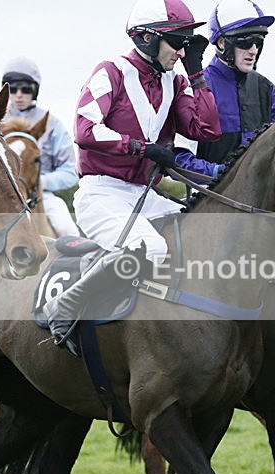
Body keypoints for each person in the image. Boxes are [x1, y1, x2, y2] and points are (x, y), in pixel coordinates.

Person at [43, 0, 221, 356]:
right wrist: (140, 149)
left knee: (197, 236)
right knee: (151, 249)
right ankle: (63, 306)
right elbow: (85, 129)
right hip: (101, 193)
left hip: (144, 193)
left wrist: (197, 71)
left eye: (186, 40)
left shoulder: (177, 80)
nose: (182, 49)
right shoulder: (110, 72)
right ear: (146, 39)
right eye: (177, 41)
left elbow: (206, 129)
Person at [174, 0, 275, 178]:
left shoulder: (267, 88)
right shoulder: (193, 87)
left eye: (259, 42)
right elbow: (178, 158)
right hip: (207, 197)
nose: (253, 50)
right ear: (222, 43)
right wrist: (220, 174)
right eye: (246, 42)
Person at [1, 57, 80, 237]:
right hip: (2, 196)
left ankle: (80, 262)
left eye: (26, 89)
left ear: (35, 90)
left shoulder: (53, 124)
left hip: (43, 197)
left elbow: (70, 172)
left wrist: (36, 183)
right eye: (12, 88)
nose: (19, 94)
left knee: (68, 229)